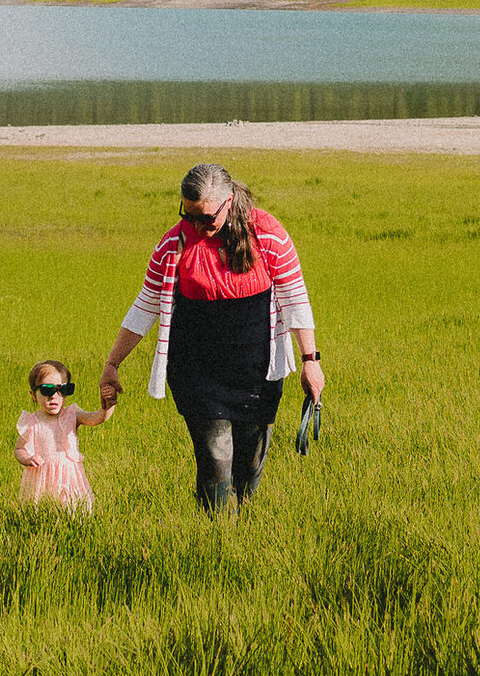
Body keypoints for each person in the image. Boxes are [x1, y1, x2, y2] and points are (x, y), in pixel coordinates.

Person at [100, 163, 324, 512]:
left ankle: (243, 537)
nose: (196, 225)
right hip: (198, 375)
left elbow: (296, 298)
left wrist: (311, 361)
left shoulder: (267, 234)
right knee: (215, 466)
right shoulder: (173, 245)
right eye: (188, 216)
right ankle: (218, 539)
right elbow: (145, 307)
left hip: (257, 376)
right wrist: (112, 363)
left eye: (205, 217)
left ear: (228, 202)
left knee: (247, 472)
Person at [15, 358, 107, 511]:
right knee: (41, 512)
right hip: (42, 477)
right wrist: (27, 459)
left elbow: (97, 418)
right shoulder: (31, 422)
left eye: (62, 390)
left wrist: (107, 405)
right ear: (33, 394)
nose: (54, 396)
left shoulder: (72, 415)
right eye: (47, 390)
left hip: (69, 477)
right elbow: (19, 449)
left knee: (74, 510)